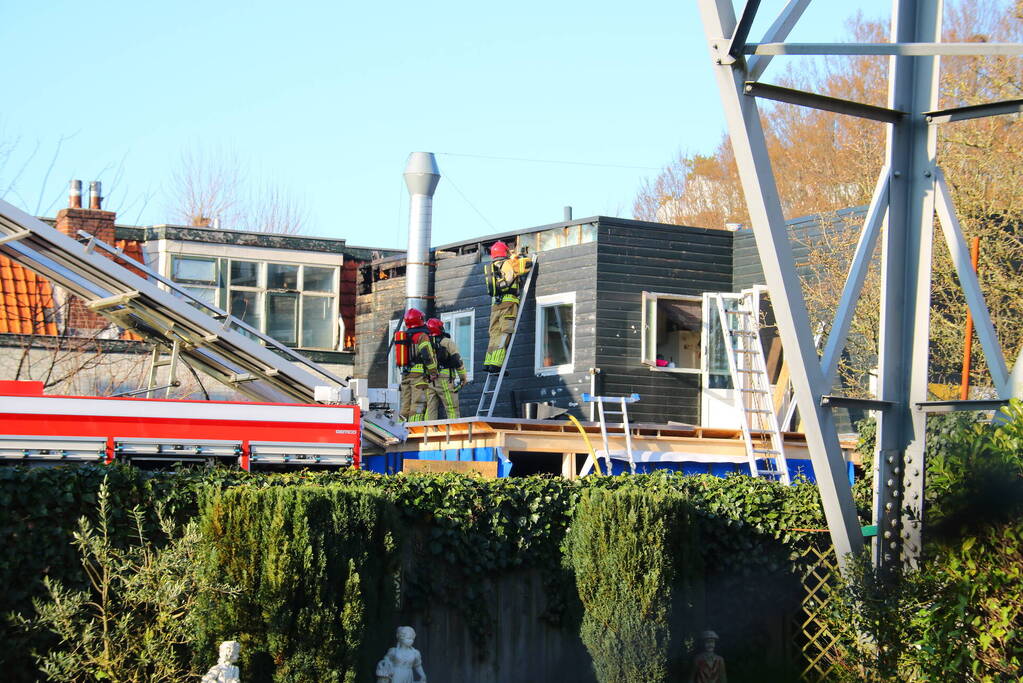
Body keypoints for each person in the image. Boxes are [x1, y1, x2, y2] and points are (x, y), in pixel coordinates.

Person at [483, 240, 532, 373]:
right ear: (504, 252)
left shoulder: (491, 267)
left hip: (495, 305)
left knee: (494, 333)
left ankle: (488, 362)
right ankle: (496, 365)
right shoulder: (509, 263)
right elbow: (528, 263)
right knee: (505, 332)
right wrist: (516, 256)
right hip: (509, 303)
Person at [396, 308, 437, 422]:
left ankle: (400, 428)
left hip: (405, 374)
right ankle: (414, 429)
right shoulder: (422, 336)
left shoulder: (404, 336)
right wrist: (433, 372)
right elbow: (427, 355)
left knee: (405, 405)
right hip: (419, 376)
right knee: (418, 404)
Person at [425, 318, 468, 419]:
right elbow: (457, 360)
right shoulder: (447, 342)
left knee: (430, 409)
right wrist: (463, 377)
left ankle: (429, 432)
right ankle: (454, 431)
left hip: (429, 380)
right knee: (451, 407)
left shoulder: (425, 344)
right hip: (444, 380)